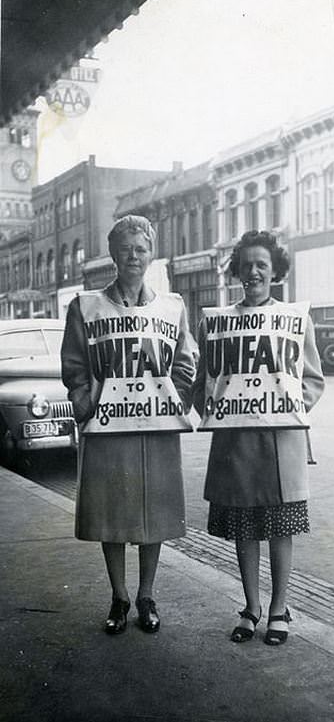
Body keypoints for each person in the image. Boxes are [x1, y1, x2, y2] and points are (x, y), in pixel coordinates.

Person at [61, 215, 195, 635]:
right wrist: (86, 404)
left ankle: (146, 595)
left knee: (153, 513)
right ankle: (119, 596)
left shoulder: (171, 307)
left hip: (154, 429)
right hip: (108, 430)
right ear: (113, 254)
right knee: (112, 513)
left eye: (140, 248)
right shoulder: (86, 306)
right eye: (125, 248)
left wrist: (173, 400)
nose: (133, 256)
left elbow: (186, 362)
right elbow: (74, 366)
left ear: (150, 253)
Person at [192, 230, 324, 645]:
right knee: (245, 528)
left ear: (275, 271)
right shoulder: (217, 323)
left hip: (280, 440)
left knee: (280, 527)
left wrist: (288, 404)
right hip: (236, 442)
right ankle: (250, 607)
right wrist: (215, 410)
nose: (253, 272)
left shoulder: (294, 319)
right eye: (246, 265)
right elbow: (204, 382)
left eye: (261, 265)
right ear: (236, 271)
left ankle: (279, 609)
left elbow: (313, 379)